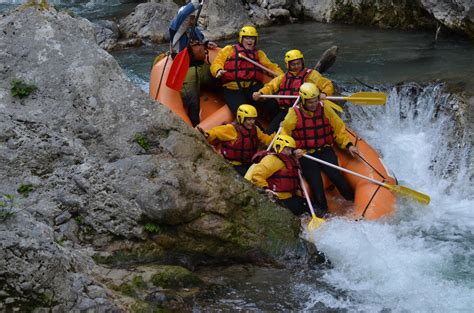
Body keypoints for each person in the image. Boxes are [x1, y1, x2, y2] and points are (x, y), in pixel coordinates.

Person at [281, 82, 359, 217]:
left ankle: (353, 202)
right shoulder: (293, 114)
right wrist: (293, 151)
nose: (314, 104)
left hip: (324, 149)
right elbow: (284, 135)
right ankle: (324, 212)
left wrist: (348, 145)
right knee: (316, 183)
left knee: (336, 176)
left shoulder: (324, 108)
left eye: (315, 101)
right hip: (305, 154)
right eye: (310, 102)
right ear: (303, 101)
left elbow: (338, 129)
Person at [210, 25, 283, 129]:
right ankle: (253, 131)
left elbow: (271, 66)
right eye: (247, 38)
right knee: (245, 114)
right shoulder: (229, 50)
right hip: (233, 89)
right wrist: (218, 70)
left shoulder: (259, 54)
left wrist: (283, 76)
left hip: (253, 88)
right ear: (241, 39)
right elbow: (217, 62)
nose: (250, 41)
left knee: (273, 106)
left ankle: (273, 131)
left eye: (252, 38)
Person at [252, 49, 335, 134]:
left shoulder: (312, 75)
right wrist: (261, 93)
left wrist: (324, 93)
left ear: (302, 62)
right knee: (270, 133)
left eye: (298, 63)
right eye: (293, 64)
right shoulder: (283, 77)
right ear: (288, 65)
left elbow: (328, 84)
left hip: (304, 111)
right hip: (286, 110)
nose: (296, 66)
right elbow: (270, 86)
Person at [168, 0, 218, 127]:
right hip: (186, 69)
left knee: (217, 79)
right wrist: (195, 3)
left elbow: (200, 37)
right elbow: (181, 17)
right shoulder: (175, 32)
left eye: (193, 17)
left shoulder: (193, 29)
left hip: (200, 66)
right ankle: (195, 126)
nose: (192, 20)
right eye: (189, 18)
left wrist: (206, 43)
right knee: (193, 101)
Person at [199, 104, 274, 176]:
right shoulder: (231, 129)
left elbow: (265, 139)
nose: (252, 122)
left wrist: (277, 137)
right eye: (249, 120)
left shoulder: (255, 129)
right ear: (241, 118)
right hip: (234, 165)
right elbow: (215, 132)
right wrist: (207, 135)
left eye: (253, 119)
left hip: (248, 162)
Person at [247, 135, 310, 216]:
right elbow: (257, 175)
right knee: (304, 209)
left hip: (288, 197)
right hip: (278, 199)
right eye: (288, 149)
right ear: (278, 147)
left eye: (291, 149)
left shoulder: (288, 158)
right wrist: (265, 189)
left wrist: (297, 153)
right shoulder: (271, 159)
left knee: (306, 206)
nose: (290, 152)